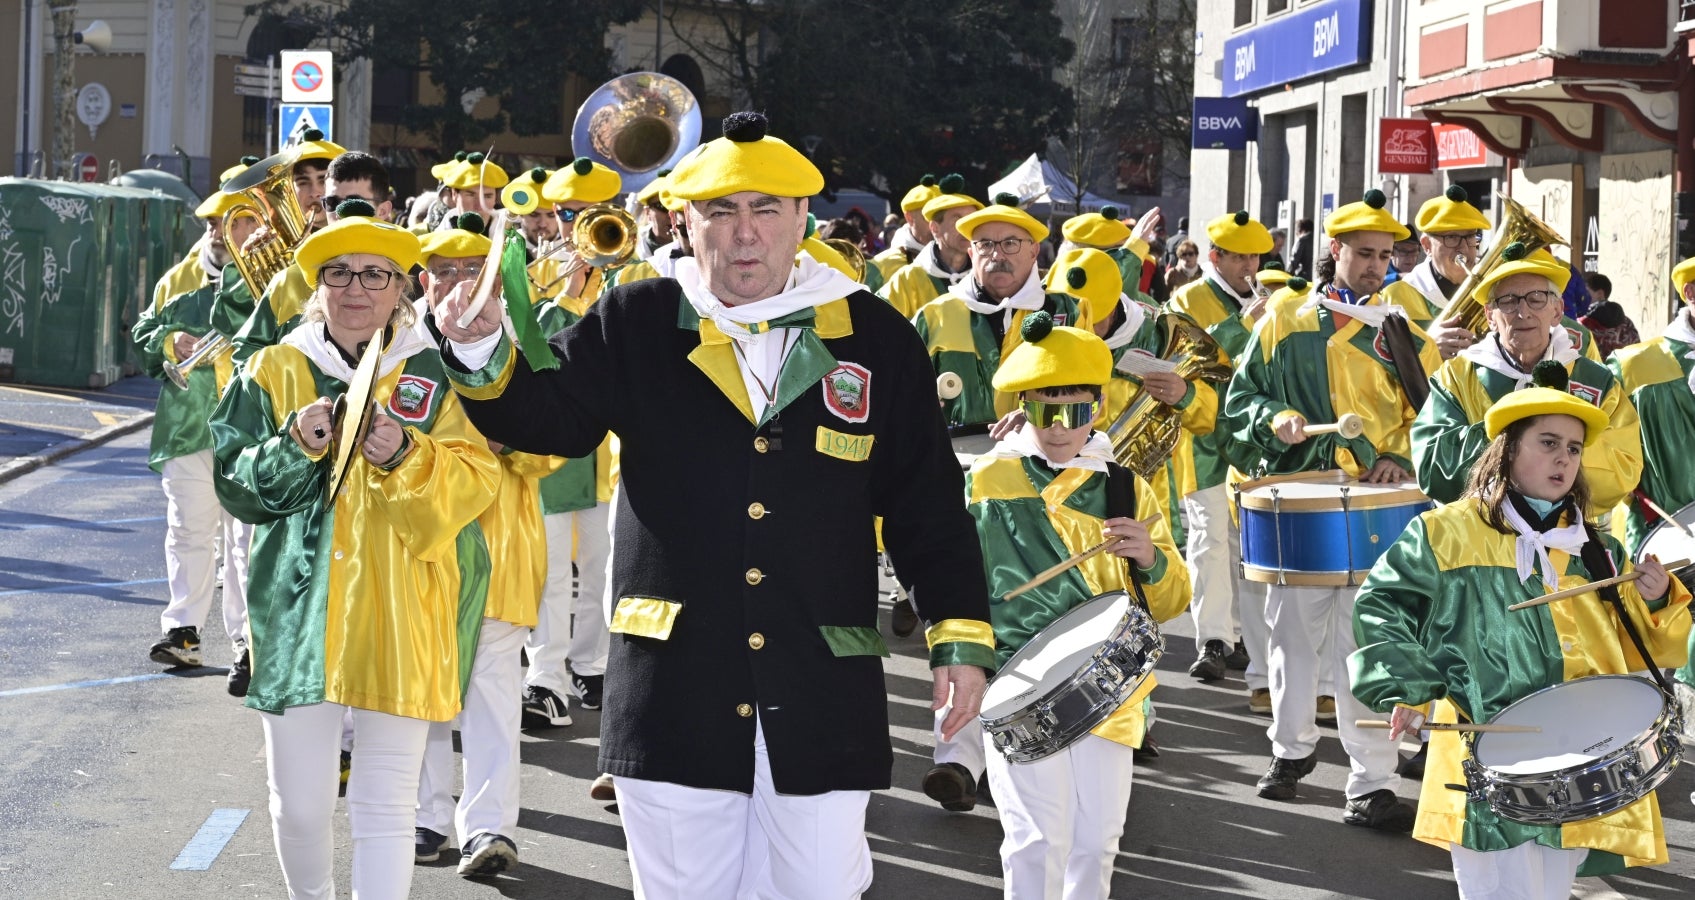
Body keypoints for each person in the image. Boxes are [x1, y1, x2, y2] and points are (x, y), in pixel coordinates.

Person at [435, 111, 996, 899]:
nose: (743, 235)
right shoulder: (635, 319)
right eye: (719, 212)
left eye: (765, 210)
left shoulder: (874, 336)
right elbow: (547, 422)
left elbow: (926, 505)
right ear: (684, 220)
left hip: (820, 686)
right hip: (672, 687)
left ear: (803, 218)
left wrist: (959, 636)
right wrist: (476, 347)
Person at [210, 202, 502, 899]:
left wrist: (406, 452)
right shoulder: (275, 368)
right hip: (297, 611)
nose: (356, 290)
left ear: (402, 287)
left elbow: (478, 479)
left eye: (375, 275)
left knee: (385, 805)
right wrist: (291, 446)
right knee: (302, 804)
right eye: (338, 274)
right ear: (317, 286)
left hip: (404, 606)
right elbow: (234, 482)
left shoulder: (436, 372)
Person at [1351, 376, 1690, 898]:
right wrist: (1409, 687)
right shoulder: (1444, 532)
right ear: (1508, 450)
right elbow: (1382, 606)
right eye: (1548, 443)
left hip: (1577, 750)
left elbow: (1640, 646)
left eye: (1574, 449)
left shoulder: (1595, 547)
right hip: (1484, 748)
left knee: (1550, 889)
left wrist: (1655, 598)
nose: (1564, 459)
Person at [1222, 190, 1441, 828]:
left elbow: (1428, 418)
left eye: (1385, 256)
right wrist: (1277, 418)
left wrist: (1399, 453)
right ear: (1335, 251)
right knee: (1292, 638)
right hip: (1302, 498)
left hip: (1376, 506)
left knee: (1366, 641)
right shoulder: (1285, 317)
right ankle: (1290, 752)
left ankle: (1370, 782)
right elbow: (1242, 400)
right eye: (1364, 254)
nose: (1376, 267)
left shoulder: (1402, 328)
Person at [971, 311, 1191, 899]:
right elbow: (949, 575)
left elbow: (1171, 601)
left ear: (1096, 408)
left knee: (1097, 843)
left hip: (1109, 688)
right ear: (1025, 406)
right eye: (1047, 410)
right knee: (1036, 839)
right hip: (1017, 680)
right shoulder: (987, 480)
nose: (1061, 427)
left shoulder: (1124, 485)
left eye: (1076, 411)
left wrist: (1152, 558)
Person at [411, 215, 562, 876]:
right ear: (424, 279)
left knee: (491, 695)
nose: (455, 284)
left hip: (499, 549)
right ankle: (426, 816)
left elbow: (556, 450)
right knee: (417, 692)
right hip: (420, 548)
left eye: (470, 271)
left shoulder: (528, 345)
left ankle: (488, 831)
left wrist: (515, 438)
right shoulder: (398, 346)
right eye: (442, 271)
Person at [131, 181, 259, 682]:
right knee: (188, 530)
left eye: (232, 222)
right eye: (211, 224)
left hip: (248, 426)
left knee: (245, 543)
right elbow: (142, 336)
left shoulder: (269, 276)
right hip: (188, 425)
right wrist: (169, 340)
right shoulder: (178, 278)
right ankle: (183, 628)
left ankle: (249, 642)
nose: (219, 232)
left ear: (256, 226)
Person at [1412, 242, 1641, 515]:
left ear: (1557, 311)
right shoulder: (1456, 376)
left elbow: (1625, 466)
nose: (1523, 313)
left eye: (1536, 299)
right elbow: (1431, 464)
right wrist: (1518, 435)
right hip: (1483, 533)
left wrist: (1543, 453)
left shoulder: (1595, 380)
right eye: (1507, 302)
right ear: (1490, 316)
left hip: (1569, 534)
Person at [524, 156, 625, 729]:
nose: (577, 225)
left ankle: (593, 664)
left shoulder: (639, 275)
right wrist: (565, 295)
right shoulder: (539, 277)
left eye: (591, 214)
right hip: (554, 454)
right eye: (566, 213)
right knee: (550, 576)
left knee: (606, 570)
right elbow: (536, 355)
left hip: (618, 453)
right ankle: (546, 680)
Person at [1164, 212, 1274, 703]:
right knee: (1209, 538)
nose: (1251, 265)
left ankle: (1242, 637)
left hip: (1251, 436)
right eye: (1241, 257)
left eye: (1256, 256)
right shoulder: (1187, 298)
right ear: (1215, 258)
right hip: (1204, 433)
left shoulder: (1270, 299)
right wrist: (1241, 324)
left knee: (1247, 544)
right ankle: (1212, 638)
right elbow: (1188, 361)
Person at [911, 194, 1090, 430]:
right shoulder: (933, 317)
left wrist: (1036, 415)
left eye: (1010, 243)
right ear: (971, 254)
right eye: (985, 245)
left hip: (1043, 459)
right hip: (954, 459)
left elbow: (1089, 397)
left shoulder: (1070, 312)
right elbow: (899, 392)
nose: (997, 255)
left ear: (1033, 251)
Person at [1609, 255, 1695, 717]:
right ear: (1691, 294)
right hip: (1660, 530)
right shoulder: (1635, 364)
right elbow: (1609, 450)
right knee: (1649, 649)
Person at [1380, 186, 1489, 359]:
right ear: (1427, 246)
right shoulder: (1395, 297)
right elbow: (1382, 365)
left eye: (1469, 237)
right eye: (1452, 237)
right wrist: (1427, 347)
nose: (1463, 248)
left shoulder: (1491, 290)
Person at [877, 174, 982, 319]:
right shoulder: (908, 279)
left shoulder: (987, 277)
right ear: (934, 227)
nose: (965, 227)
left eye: (971, 219)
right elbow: (874, 323)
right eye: (957, 219)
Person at [869, 175, 940, 284]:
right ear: (909, 218)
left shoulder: (965, 261)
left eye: (942, 217)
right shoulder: (881, 266)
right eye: (928, 216)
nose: (937, 224)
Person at [1579, 272, 1640, 359]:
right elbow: (1637, 348)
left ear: (1600, 293)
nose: (1583, 296)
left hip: (1595, 371)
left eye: (1587, 292)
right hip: (1623, 370)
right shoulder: (1626, 322)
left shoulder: (1584, 322)